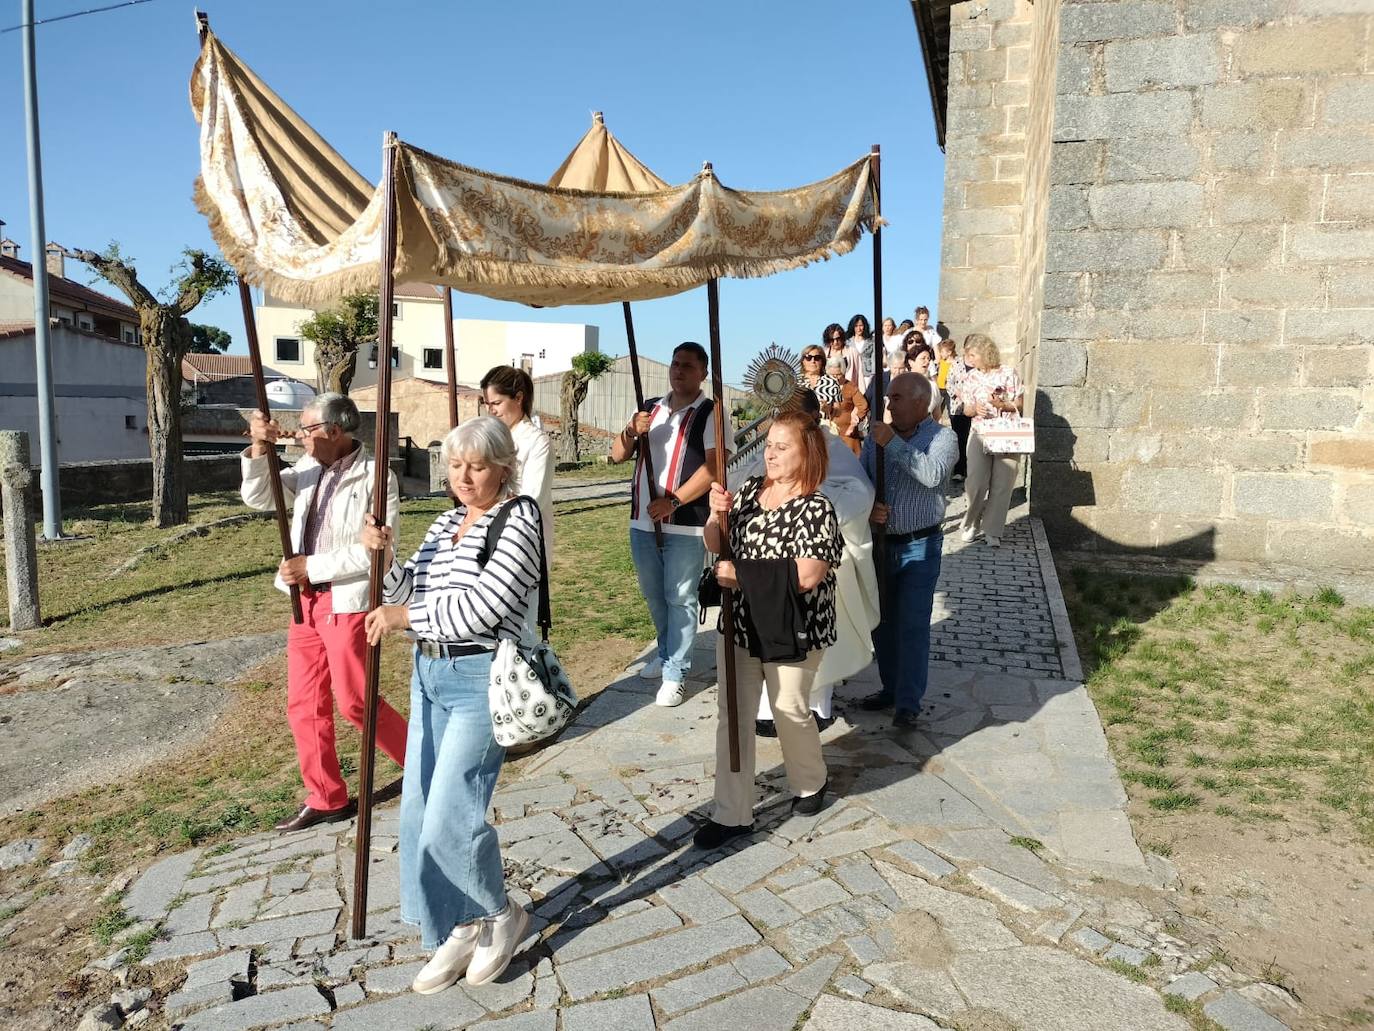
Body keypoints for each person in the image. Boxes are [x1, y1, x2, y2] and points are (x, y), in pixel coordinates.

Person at [361, 417, 541, 995]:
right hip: (429, 674)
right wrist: (385, 561)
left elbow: (486, 607)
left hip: (480, 677)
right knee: (416, 812)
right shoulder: (443, 524)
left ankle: (501, 912)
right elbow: (407, 591)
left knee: (450, 819)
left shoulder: (520, 519)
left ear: (504, 468)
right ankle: (458, 925)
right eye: (456, 465)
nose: (464, 477)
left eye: (478, 466)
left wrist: (404, 617)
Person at [241, 393, 405, 834]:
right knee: (304, 703)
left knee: (355, 700)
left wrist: (309, 566)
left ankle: (421, 762)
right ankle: (327, 796)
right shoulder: (307, 469)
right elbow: (258, 496)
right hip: (304, 601)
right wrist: (260, 448)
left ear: (334, 431)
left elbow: (376, 551)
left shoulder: (376, 478)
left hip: (345, 600)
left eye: (307, 428)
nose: (299, 434)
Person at [695, 409, 843, 849]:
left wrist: (738, 574)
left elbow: (807, 576)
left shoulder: (817, 507)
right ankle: (732, 813)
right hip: (740, 623)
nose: (771, 453)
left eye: (783, 446)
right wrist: (713, 517)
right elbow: (717, 545)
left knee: (789, 710)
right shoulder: (746, 494)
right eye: (769, 445)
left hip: (793, 627)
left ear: (808, 452)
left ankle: (810, 782)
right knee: (733, 718)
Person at [743, 390, 879, 738]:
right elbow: (749, 486)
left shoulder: (832, 448)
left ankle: (818, 705)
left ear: (812, 419)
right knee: (766, 635)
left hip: (814, 560)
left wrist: (809, 500)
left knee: (811, 638)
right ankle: (766, 710)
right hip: (769, 562)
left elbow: (859, 494)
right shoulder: (772, 451)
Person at [609, 342, 721, 708]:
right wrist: (630, 431)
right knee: (655, 595)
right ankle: (665, 650)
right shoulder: (649, 409)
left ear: (703, 373)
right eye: (675, 364)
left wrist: (673, 500)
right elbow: (616, 455)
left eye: (688, 366)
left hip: (686, 523)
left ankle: (676, 671)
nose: (679, 370)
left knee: (681, 597)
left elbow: (714, 467)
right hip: (642, 520)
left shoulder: (711, 412)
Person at [860, 373, 958, 728]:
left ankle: (908, 703)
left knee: (912, 625)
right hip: (882, 545)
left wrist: (894, 444)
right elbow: (861, 482)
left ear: (921, 403)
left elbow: (932, 475)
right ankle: (890, 687)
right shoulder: (874, 440)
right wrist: (869, 507)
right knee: (882, 623)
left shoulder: (943, 438)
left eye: (896, 398)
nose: (888, 404)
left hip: (921, 545)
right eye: (887, 398)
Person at [958, 334, 1025, 549]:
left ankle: (993, 530)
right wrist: (974, 409)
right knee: (976, 482)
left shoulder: (1007, 373)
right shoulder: (970, 378)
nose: (969, 358)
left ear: (985, 353)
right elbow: (966, 408)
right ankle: (971, 523)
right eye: (967, 354)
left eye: (972, 354)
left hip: (1006, 432)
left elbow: (1019, 403)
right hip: (979, 431)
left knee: (1002, 484)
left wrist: (1002, 405)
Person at [480, 365, 554, 558]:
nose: (491, 410)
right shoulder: (489, 438)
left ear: (519, 398)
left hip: (523, 539)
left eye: (497, 403)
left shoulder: (537, 442)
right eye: (488, 404)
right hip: (486, 534)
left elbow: (532, 499)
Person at [824, 353, 868, 455]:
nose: (836, 378)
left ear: (843, 372)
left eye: (838, 374)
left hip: (847, 433)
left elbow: (863, 405)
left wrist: (854, 423)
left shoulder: (850, 386)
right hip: (828, 432)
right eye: (832, 375)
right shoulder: (824, 386)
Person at [947, 340, 975, 482]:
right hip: (958, 407)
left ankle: (971, 470)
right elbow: (949, 383)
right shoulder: (956, 363)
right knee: (959, 438)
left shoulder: (979, 363)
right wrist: (958, 393)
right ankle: (959, 470)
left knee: (973, 439)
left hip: (975, 407)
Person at [822, 322, 863, 391]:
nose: (835, 342)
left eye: (838, 339)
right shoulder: (823, 354)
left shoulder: (852, 352)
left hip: (849, 392)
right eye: (832, 340)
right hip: (828, 392)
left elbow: (860, 375)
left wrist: (862, 393)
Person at [847, 313, 876, 397]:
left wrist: (873, 374)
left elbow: (874, 358)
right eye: (856, 326)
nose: (859, 328)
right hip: (852, 374)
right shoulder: (848, 342)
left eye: (861, 325)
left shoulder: (871, 341)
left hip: (867, 374)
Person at [935, 337, 958, 419]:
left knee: (950, 408)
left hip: (949, 389)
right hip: (939, 388)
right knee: (937, 407)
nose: (941, 354)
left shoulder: (955, 363)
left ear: (949, 352)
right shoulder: (941, 361)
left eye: (942, 352)